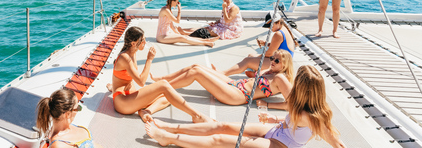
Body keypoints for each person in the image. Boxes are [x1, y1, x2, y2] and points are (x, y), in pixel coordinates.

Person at [145, 65, 346, 148]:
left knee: (219, 139)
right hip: (277, 130)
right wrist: (275, 119)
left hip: (282, 145)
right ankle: (170, 127)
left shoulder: (314, 117)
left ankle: (168, 138)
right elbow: (293, 120)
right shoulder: (299, 104)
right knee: (220, 126)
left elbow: (337, 144)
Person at [111, 26, 212, 123]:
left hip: (130, 97)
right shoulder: (125, 58)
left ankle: (146, 111)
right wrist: (149, 59)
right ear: (133, 43)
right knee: (164, 85)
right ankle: (196, 116)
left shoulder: (132, 53)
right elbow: (141, 82)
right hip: (123, 102)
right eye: (142, 41)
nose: (145, 43)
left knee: (169, 94)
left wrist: (112, 86)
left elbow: (122, 78)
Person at [151, 50, 293, 106]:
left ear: (285, 65)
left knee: (196, 72)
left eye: (276, 61)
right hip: (234, 84)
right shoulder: (271, 70)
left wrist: (267, 104)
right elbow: (255, 78)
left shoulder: (281, 79)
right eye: (272, 58)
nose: (272, 61)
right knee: (196, 66)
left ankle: (161, 87)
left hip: (239, 95)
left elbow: (291, 106)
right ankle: (162, 79)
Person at [214, 12, 297, 77]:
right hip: (285, 62)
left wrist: (256, 57)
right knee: (251, 55)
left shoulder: (278, 34)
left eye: (270, 26)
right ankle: (259, 73)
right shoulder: (284, 29)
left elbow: (269, 54)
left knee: (247, 60)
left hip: (280, 64)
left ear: (278, 22)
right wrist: (266, 44)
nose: (269, 28)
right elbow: (281, 46)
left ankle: (223, 73)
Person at [36, 88, 103, 148]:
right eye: (77, 108)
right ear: (67, 114)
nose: (78, 110)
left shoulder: (69, 128)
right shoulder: (59, 145)